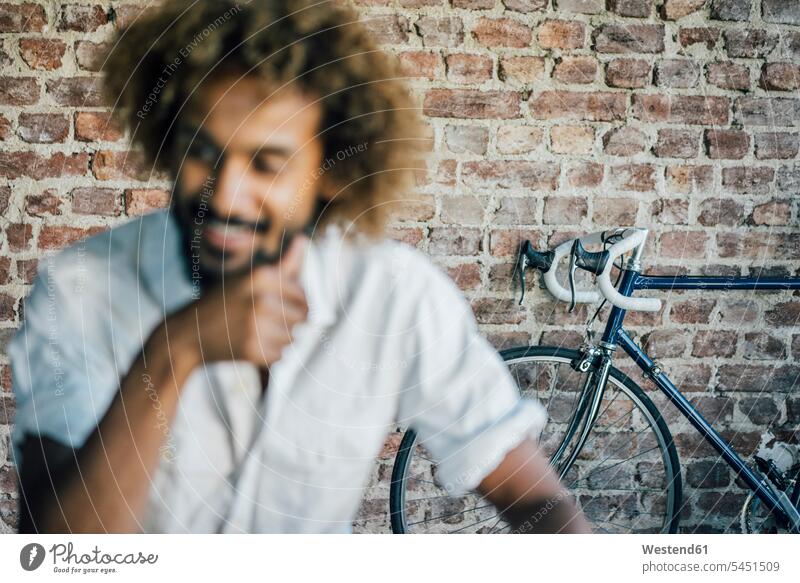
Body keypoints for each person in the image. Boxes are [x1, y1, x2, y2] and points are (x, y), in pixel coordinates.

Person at [9, 0, 591, 534]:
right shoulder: (80, 289)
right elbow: (56, 551)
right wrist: (172, 351)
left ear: (330, 173)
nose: (227, 194)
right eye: (203, 151)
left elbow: (543, 504)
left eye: (267, 164)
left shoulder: (393, 294)